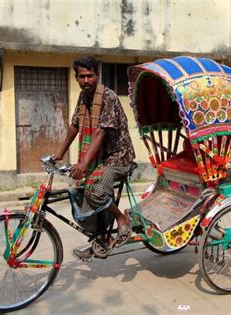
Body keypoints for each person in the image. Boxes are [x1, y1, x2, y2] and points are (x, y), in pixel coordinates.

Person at [54, 56, 136, 259]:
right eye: (82, 76)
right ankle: (99, 239)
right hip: (99, 158)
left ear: (97, 75)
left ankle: (121, 220)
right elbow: (75, 125)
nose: (86, 80)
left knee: (97, 191)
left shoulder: (108, 97)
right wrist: (60, 153)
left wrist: (83, 163)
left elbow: (101, 133)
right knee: (82, 192)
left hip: (118, 157)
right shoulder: (84, 98)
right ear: (76, 78)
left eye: (90, 76)